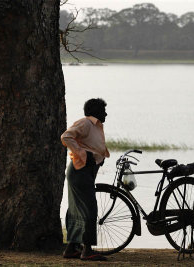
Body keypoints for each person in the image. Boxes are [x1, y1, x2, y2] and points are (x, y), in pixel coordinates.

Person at [61, 98, 110, 261]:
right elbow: (66, 136)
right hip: (79, 171)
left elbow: (93, 146)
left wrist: (98, 157)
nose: (106, 114)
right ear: (96, 112)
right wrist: (81, 153)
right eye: (103, 111)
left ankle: (71, 248)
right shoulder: (86, 123)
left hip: (84, 171)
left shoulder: (95, 127)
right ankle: (87, 250)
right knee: (90, 208)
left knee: (76, 209)